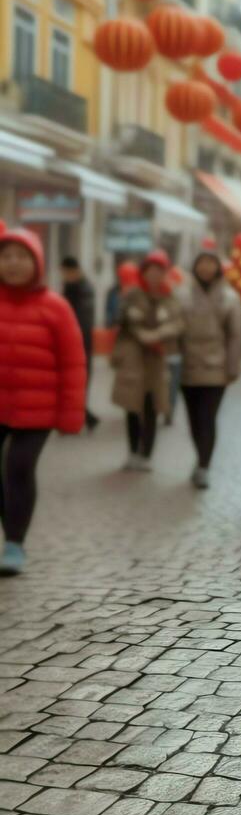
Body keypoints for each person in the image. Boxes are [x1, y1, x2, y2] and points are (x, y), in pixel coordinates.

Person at [0, 227, 86, 575]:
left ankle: (14, 543)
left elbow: (73, 363)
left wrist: (70, 416)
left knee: (18, 468)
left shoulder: (56, 307)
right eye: (6, 257)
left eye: (22, 257)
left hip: (38, 410)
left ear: (36, 262)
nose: (13, 264)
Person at [110, 250, 184, 471]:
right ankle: (132, 452)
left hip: (158, 359)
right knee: (132, 405)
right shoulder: (132, 294)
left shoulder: (170, 296)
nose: (154, 275)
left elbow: (178, 323)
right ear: (144, 272)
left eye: (159, 271)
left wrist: (158, 334)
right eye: (150, 270)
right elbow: (120, 318)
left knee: (152, 406)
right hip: (133, 359)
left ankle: (146, 454)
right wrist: (134, 325)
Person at [177, 250, 241, 489]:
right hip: (188, 364)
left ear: (218, 268)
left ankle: (204, 466)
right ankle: (200, 459)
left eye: (211, 263)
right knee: (194, 419)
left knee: (207, 418)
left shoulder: (229, 297)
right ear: (195, 267)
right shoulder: (182, 294)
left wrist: (233, 366)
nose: (206, 268)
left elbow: (235, 335)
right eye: (201, 263)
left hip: (216, 367)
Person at [60, 256, 99, 432]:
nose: (63, 276)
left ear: (73, 271)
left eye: (65, 272)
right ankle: (87, 418)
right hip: (71, 343)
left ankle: (83, 419)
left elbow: (83, 319)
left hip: (81, 344)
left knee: (78, 384)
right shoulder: (71, 287)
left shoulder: (83, 289)